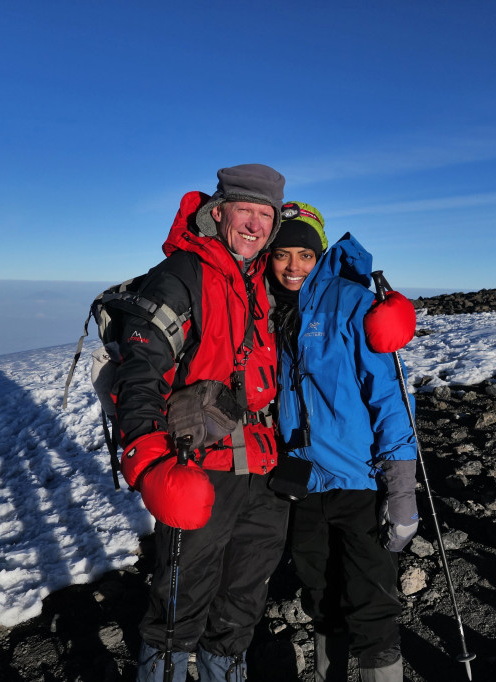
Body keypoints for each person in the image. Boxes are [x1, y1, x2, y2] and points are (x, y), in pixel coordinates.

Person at [112, 164, 291, 682]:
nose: (256, 226)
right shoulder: (183, 275)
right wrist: (149, 463)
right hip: (201, 468)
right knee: (180, 599)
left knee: (243, 596)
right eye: (246, 212)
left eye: (265, 215)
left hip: (263, 469)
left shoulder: (263, 281)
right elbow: (140, 370)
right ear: (219, 213)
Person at [268, 202, 419, 682]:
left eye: (305, 255)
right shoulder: (270, 311)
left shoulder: (353, 303)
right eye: (282, 255)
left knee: (372, 604)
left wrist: (401, 490)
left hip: (359, 481)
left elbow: (390, 397)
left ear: (320, 255)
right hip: (303, 487)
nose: (293, 266)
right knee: (320, 601)